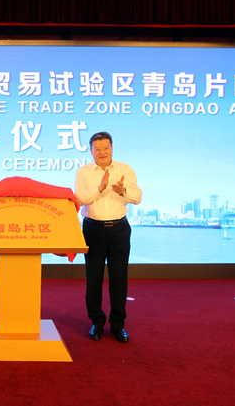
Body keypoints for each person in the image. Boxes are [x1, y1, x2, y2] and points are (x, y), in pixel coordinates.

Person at [74, 132, 142, 343]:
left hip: (119, 229)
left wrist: (123, 191)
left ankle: (118, 325)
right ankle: (96, 322)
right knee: (93, 278)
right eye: (98, 149)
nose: (102, 152)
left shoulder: (125, 169)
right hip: (93, 229)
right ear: (91, 151)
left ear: (112, 148)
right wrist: (100, 188)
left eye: (106, 148)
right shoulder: (84, 172)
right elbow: (79, 198)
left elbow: (137, 197)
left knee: (119, 278)